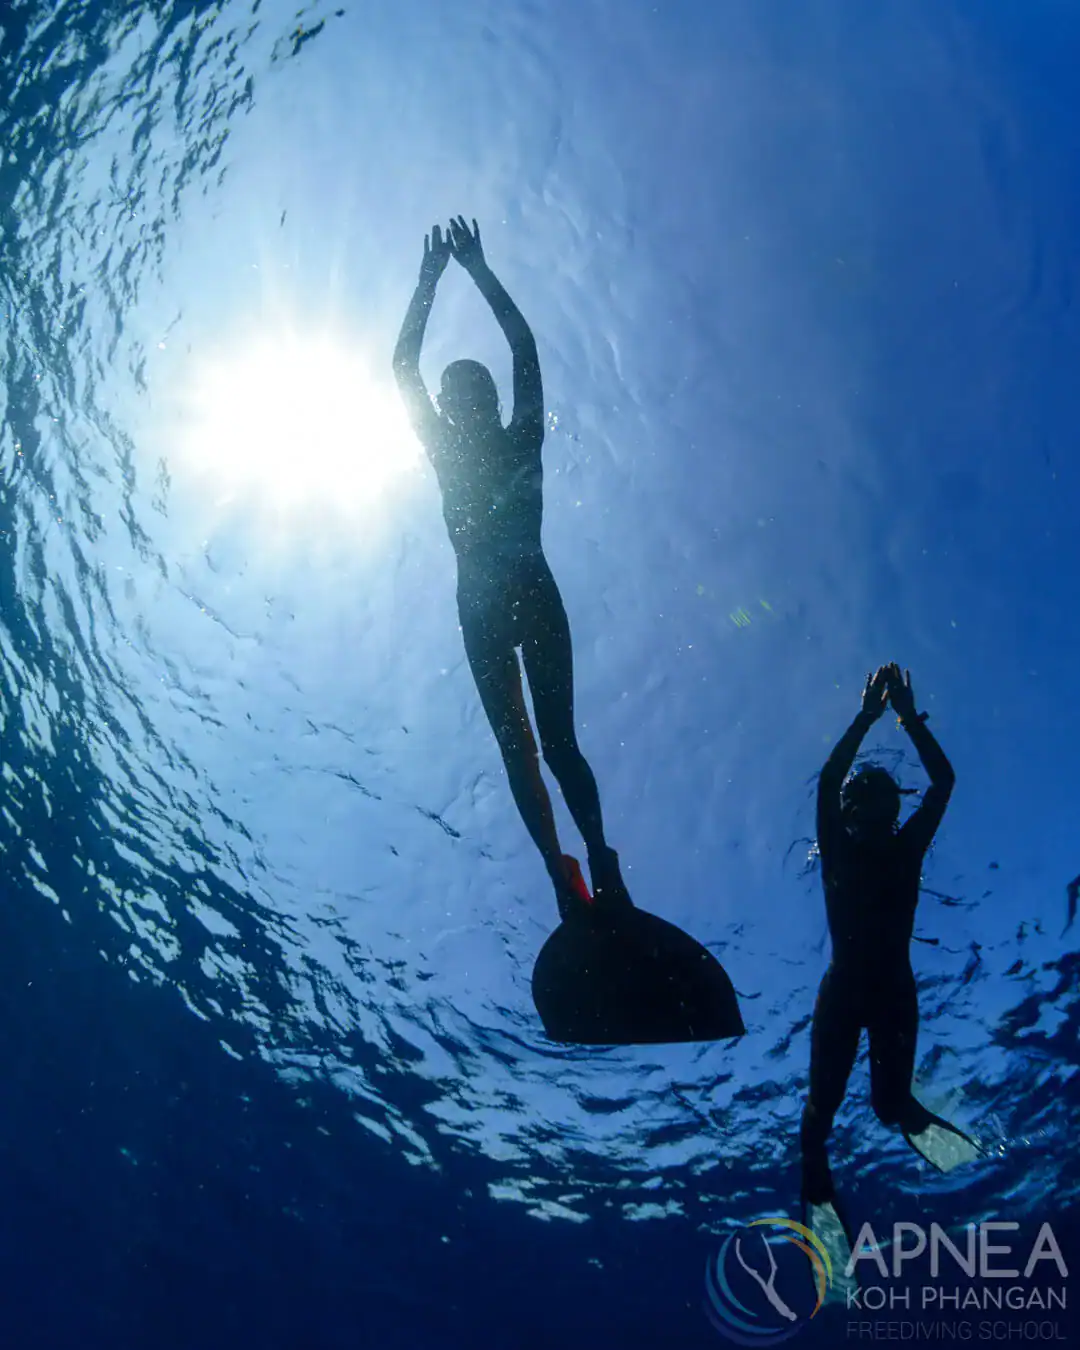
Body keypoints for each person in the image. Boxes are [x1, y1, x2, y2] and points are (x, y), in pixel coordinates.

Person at [392, 218, 630, 921]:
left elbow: (522, 346)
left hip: (525, 590)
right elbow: (403, 368)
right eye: (455, 393)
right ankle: (563, 877)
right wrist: (432, 279)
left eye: (472, 390)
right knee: (519, 751)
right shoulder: (448, 447)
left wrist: (472, 270)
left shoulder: (522, 436)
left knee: (556, 745)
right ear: (448, 408)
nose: (463, 400)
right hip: (482, 605)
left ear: (491, 402)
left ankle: (600, 861)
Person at [801, 662, 977, 1222]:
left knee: (883, 1106)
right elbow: (936, 783)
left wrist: (885, 716)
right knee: (828, 1110)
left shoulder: (896, 850)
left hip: (870, 991)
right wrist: (888, 716)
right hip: (869, 990)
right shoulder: (867, 848)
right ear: (855, 812)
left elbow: (940, 784)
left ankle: (822, 1175)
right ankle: (816, 1183)